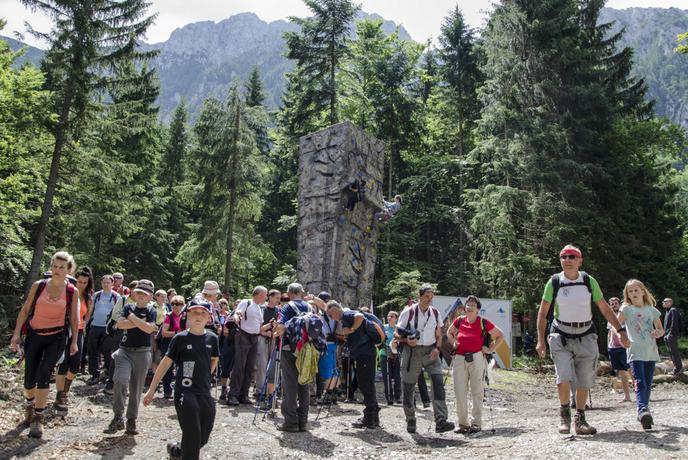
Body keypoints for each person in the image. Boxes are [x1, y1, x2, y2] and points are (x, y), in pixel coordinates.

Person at [536, 245, 629, 435]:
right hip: (560, 335)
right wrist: (541, 340)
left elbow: (603, 307)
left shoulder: (588, 280)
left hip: (586, 334)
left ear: (580, 261)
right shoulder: (554, 282)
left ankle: (580, 419)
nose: (567, 260)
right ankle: (564, 415)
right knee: (563, 377)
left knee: (584, 380)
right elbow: (543, 313)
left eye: (572, 256)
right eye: (563, 257)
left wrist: (619, 329)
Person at [10, 251, 79, 438]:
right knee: (29, 377)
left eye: (61, 267)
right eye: (55, 266)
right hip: (34, 335)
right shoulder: (39, 286)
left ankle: (38, 418)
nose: (57, 270)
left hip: (56, 337)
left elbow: (73, 318)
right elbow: (25, 310)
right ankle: (30, 405)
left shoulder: (72, 291)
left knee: (44, 374)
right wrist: (16, 334)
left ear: (69, 270)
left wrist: (74, 342)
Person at [144, 297, 219, 460]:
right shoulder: (180, 339)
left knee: (203, 435)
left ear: (209, 317)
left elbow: (214, 358)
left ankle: (176, 451)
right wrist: (151, 390)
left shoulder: (212, 338)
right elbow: (164, 364)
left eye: (203, 312)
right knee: (193, 433)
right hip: (185, 392)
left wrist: (206, 374)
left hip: (204, 392)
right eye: (194, 312)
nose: (198, 315)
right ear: (188, 316)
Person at [395, 285, 455, 434]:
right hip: (412, 351)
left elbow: (439, 335)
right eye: (427, 297)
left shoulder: (435, 313)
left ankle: (441, 421)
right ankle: (410, 419)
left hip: (431, 351)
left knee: (438, 383)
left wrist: (437, 349)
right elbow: (397, 333)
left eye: (431, 297)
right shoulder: (408, 312)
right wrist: (407, 340)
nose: (429, 300)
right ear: (420, 296)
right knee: (408, 387)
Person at [104, 279, 157, 436]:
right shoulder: (127, 306)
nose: (141, 296)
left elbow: (149, 330)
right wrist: (141, 322)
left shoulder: (152, 310)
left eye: (144, 294)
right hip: (124, 351)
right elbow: (120, 325)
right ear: (134, 293)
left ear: (150, 297)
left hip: (143, 352)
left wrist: (132, 319)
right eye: (139, 292)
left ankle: (131, 419)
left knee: (136, 388)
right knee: (120, 380)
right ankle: (118, 416)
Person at [447, 295, 504, 433]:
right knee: (459, 391)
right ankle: (463, 424)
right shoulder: (459, 321)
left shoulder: (482, 322)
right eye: (468, 304)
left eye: (473, 305)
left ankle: (476, 423)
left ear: (478, 309)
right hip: (459, 358)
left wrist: (490, 349)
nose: (470, 306)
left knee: (477, 391)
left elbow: (500, 335)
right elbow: (449, 333)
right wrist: (453, 342)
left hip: (477, 358)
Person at [618, 279, 664, 430]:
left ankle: (645, 410)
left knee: (648, 382)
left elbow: (660, 329)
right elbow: (615, 325)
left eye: (636, 290)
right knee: (639, 381)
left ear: (643, 291)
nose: (633, 293)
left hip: (650, 351)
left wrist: (658, 332)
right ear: (628, 295)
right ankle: (642, 410)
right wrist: (621, 335)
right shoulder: (626, 309)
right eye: (630, 291)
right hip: (635, 351)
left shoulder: (651, 310)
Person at [334, 303, 381, 429]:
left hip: (365, 354)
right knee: (366, 383)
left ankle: (369, 418)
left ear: (335, 310)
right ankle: (373, 416)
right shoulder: (345, 316)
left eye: (331, 314)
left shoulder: (346, 314)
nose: (332, 317)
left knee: (366, 384)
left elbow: (359, 316)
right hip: (366, 353)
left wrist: (352, 329)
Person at [54, 266, 94, 414]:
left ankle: (65, 389)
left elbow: (88, 313)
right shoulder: (68, 293)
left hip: (80, 331)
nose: (81, 284)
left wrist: (85, 325)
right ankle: (60, 395)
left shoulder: (88, 297)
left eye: (85, 282)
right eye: (79, 281)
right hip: (65, 330)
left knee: (75, 365)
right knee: (63, 364)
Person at [274, 282, 313, 432]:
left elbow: (281, 326)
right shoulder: (310, 307)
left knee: (290, 384)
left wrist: (276, 332)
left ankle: (290, 422)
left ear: (289, 293)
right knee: (304, 383)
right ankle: (303, 421)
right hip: (307, 349)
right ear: (302, 293)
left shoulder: (288, 307)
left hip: (289, 349)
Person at [227, 286, 267, 406]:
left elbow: (260, 328)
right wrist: (236, 317)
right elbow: (238, 313)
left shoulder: (259, 308)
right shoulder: (246, 302)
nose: (266, 296)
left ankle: (243, 395)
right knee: (239, 365)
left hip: (254, 338)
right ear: (259, 294)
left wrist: (271, 326)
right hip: (243, 336)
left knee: (250, 367)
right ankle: (232, 395)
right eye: (265, 294)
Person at [103, 280, 137, 394]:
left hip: (134, 334)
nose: (137, 292)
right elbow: (115, 315)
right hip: (120, 331)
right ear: (131, 289)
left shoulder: (144, 303)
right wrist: (130, 321)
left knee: (130, 358)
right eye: (135, 289)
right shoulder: (123, 299)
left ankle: (125, 385)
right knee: (116, 355)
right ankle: (110, 383)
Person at [87, 275, 120, 385]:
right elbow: (90, 310)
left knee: (107, 351)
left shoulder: (116, 297)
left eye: (108, 282)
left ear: (112, 284)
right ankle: (94, 374)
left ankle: (106, 372)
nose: (106, 284)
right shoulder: (96, 295)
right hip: (95, 325)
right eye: (104, 282)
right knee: (92, 351)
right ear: (101, 283)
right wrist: (86, 324)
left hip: (108, 328)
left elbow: (118, 312)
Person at [255, 289, 280, 409]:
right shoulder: (261, 309)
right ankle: (261, 391)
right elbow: (257, 327)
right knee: (262, 364)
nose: (278, 300)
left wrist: (273, 333)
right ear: (270, 297)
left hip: (273, 341)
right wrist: (267, 331)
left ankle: (271, 392)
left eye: (279, 298)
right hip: (262, 339)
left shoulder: (278, 311)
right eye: (276, 297)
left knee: (272, 367)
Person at [607, 297, 633, 402]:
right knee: (622, 373)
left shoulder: (625, 315)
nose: (614, 305)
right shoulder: (610, 317)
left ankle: (641, 394)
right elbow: (609, 332)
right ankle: (627, 396)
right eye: (612, 304)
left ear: (619, 304)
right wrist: (609, 345)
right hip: (613, 348)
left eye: (616, 303)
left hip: (624, 347)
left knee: (631, 371)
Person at [316, 293, 340, 406]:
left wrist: (312, 299)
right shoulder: (336, 316)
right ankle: (333, 392)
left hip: (326, 344)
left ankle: (327, 394)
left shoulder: (327, 314)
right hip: (333, 344)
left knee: (327, 370)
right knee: (333, 368)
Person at [160, 295, 185, 398]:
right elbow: (164, 333)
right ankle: (167, 390)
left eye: (178, 304)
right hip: (169, 344)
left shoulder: (184, 316)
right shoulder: (168, 316)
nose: (175, 306)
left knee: (181, 367)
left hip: (182, 344)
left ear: (182, 305)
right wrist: (176, 333)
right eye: (173, 304)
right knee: (168, 367)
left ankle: (179, 389)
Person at [381, 311, 401, 405]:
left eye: (392, 316)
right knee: (387, 377)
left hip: (396, 355)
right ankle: (389, 397)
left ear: (396, 318)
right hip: (385, 354)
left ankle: (398, 396)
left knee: (397, 376)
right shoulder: (384, 328)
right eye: (388, 316)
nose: (389, 318)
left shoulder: (398, 328)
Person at [662, 298, 683, 375]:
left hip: (671, 335)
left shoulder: (673, 310)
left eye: (664, 301)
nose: (663, 303)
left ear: (670, 302)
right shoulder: (668, 311)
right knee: (671, 352)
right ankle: (676, 368)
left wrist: (671, 334)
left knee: (674, 352)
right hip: (667, 335)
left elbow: (674, 323)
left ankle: (678, 368)